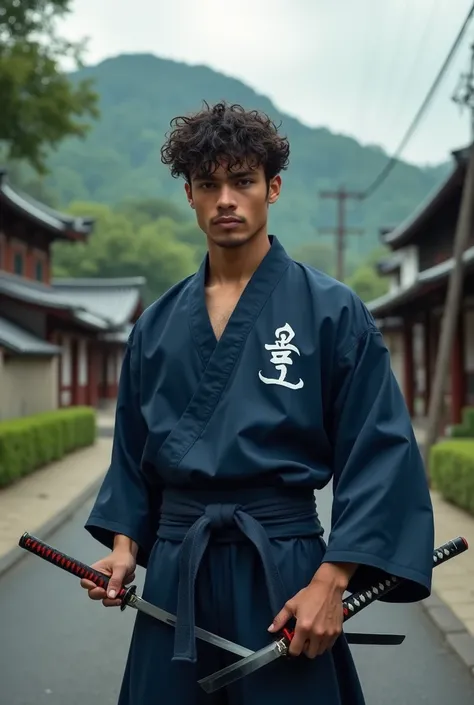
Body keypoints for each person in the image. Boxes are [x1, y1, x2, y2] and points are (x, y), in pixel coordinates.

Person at [80, 101, 434, 704]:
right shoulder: (156, 325)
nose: (226, 199)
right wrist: (123, 549)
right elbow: (132, 457)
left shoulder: (333, 311)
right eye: (208, 184)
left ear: (272, 188)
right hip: (175, 573)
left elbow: (380, 451)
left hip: (287, 570)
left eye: (242, 181)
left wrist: (334, 579)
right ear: (189, 195)